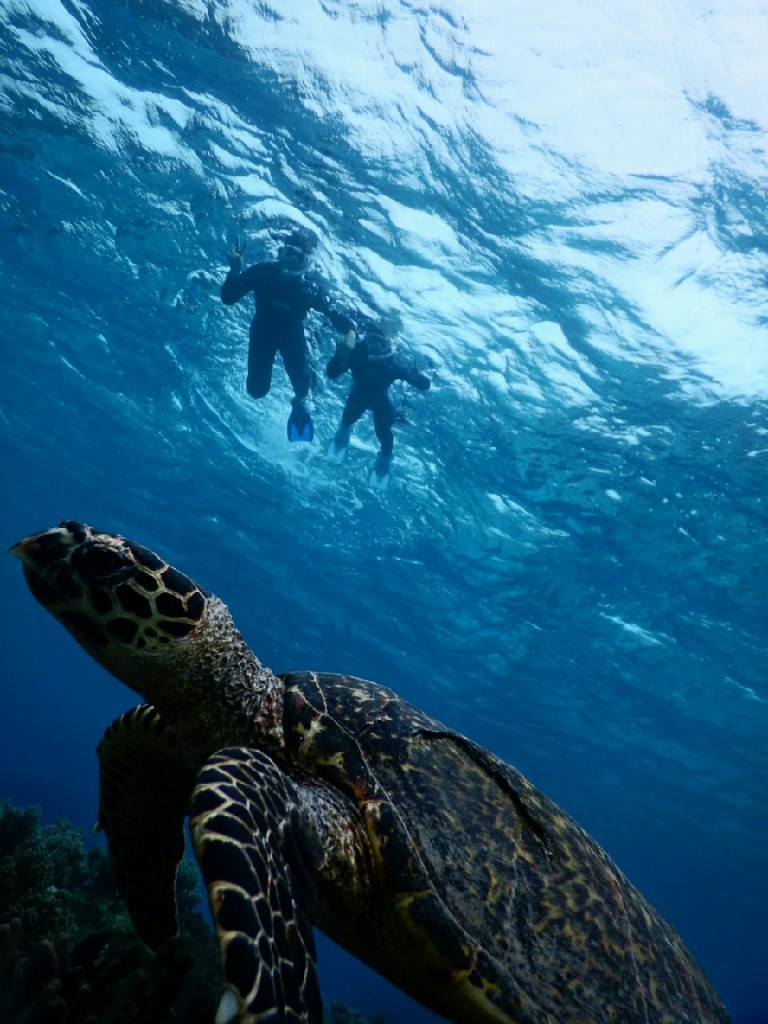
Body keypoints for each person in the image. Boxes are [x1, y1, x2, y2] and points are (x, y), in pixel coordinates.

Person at [220, 226, 356, 442]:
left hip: (292, 337)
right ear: (280, 253)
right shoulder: (262, 272)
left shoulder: (309, 289)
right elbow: (228, 298)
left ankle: (300, 402)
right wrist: (234, 272)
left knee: (302, 388)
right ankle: (303, 382)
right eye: (288, 253)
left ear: (307, 264)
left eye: (299, 258)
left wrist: (350, 332)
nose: (291, 261)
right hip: (262, 332)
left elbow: (336, 315)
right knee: (256, 391)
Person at [325, 321, 431, 487]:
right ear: (365, 339)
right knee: (347, 420)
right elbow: (332, 373)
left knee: (384, 434)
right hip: (363, 397)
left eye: (381, 343)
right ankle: (344, 434)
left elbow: (424, 385)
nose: (376, 347)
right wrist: (340, 355)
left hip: (377, 400)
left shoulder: (392, 363)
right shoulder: (357, 353)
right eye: (372, 341)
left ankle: (384, 458)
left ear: (390, 344)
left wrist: (416, 374)